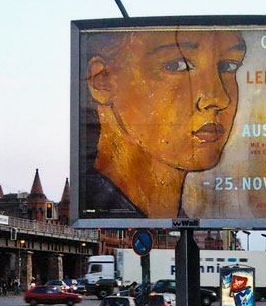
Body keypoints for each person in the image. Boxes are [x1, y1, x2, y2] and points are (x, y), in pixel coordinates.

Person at [82, 29, 246, 219]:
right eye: (177, 65)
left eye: (228, 66)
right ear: (102, 81)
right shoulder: (95, 212)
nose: (219, 98)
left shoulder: (178, 220)